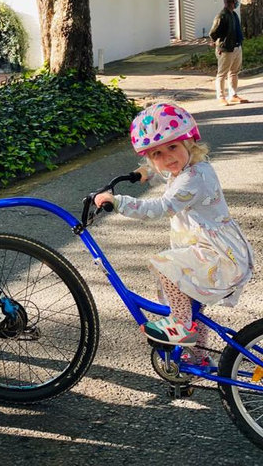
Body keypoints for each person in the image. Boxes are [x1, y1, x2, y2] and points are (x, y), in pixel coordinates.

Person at [95, 103, 254, 365]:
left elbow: (161, 206)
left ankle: (180, 327)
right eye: (157, 154)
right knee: (193, 306)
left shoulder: (193, 179)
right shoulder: (190, 168)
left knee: (165, 266)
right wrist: (145, 172)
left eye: (173, 147)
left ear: (188, 143)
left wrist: (118, 202)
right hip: (210, 251)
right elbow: (171, 174)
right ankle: (199, 357)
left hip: (218, 256)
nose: (167, 158)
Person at [209, 0, 250, 106]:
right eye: (236, 0)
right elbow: (213, 32)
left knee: (234, 72)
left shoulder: (234, 14)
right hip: (226, 49)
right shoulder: (222, 15)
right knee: (222, 74)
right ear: (231, 2)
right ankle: (221, 97)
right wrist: (216, 43)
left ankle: (233, 95)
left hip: (236, 47)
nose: (237, 2)